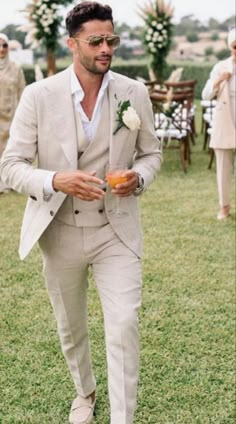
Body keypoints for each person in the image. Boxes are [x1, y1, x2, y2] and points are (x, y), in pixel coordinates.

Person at [0, 2, 161, 423]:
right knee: (71, 328)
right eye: (96, 41)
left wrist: (138, 179)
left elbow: (152, 154)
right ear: (73, 44)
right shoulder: (39, 96)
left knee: (124, 322)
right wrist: (55, 180)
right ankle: (85, 393)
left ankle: (122, 418)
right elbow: (11, 166)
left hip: (116, 229)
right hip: (60, 231)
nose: (106, 48)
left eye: (112, 40)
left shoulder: (134, 93)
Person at [202, 28, 236, 220]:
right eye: (235, 46)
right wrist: (218, 80)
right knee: (223, 166)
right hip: (225, 120)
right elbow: (206, 95)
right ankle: (224, 206)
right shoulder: (221, 67)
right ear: (230, 47)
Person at [0, 33, 25, 193]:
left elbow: (22, 90)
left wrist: (22, 113)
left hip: (12, 114)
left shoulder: (15, 67)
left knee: (9, 149)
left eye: (4, 45)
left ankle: (8, 183)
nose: (1, 49)